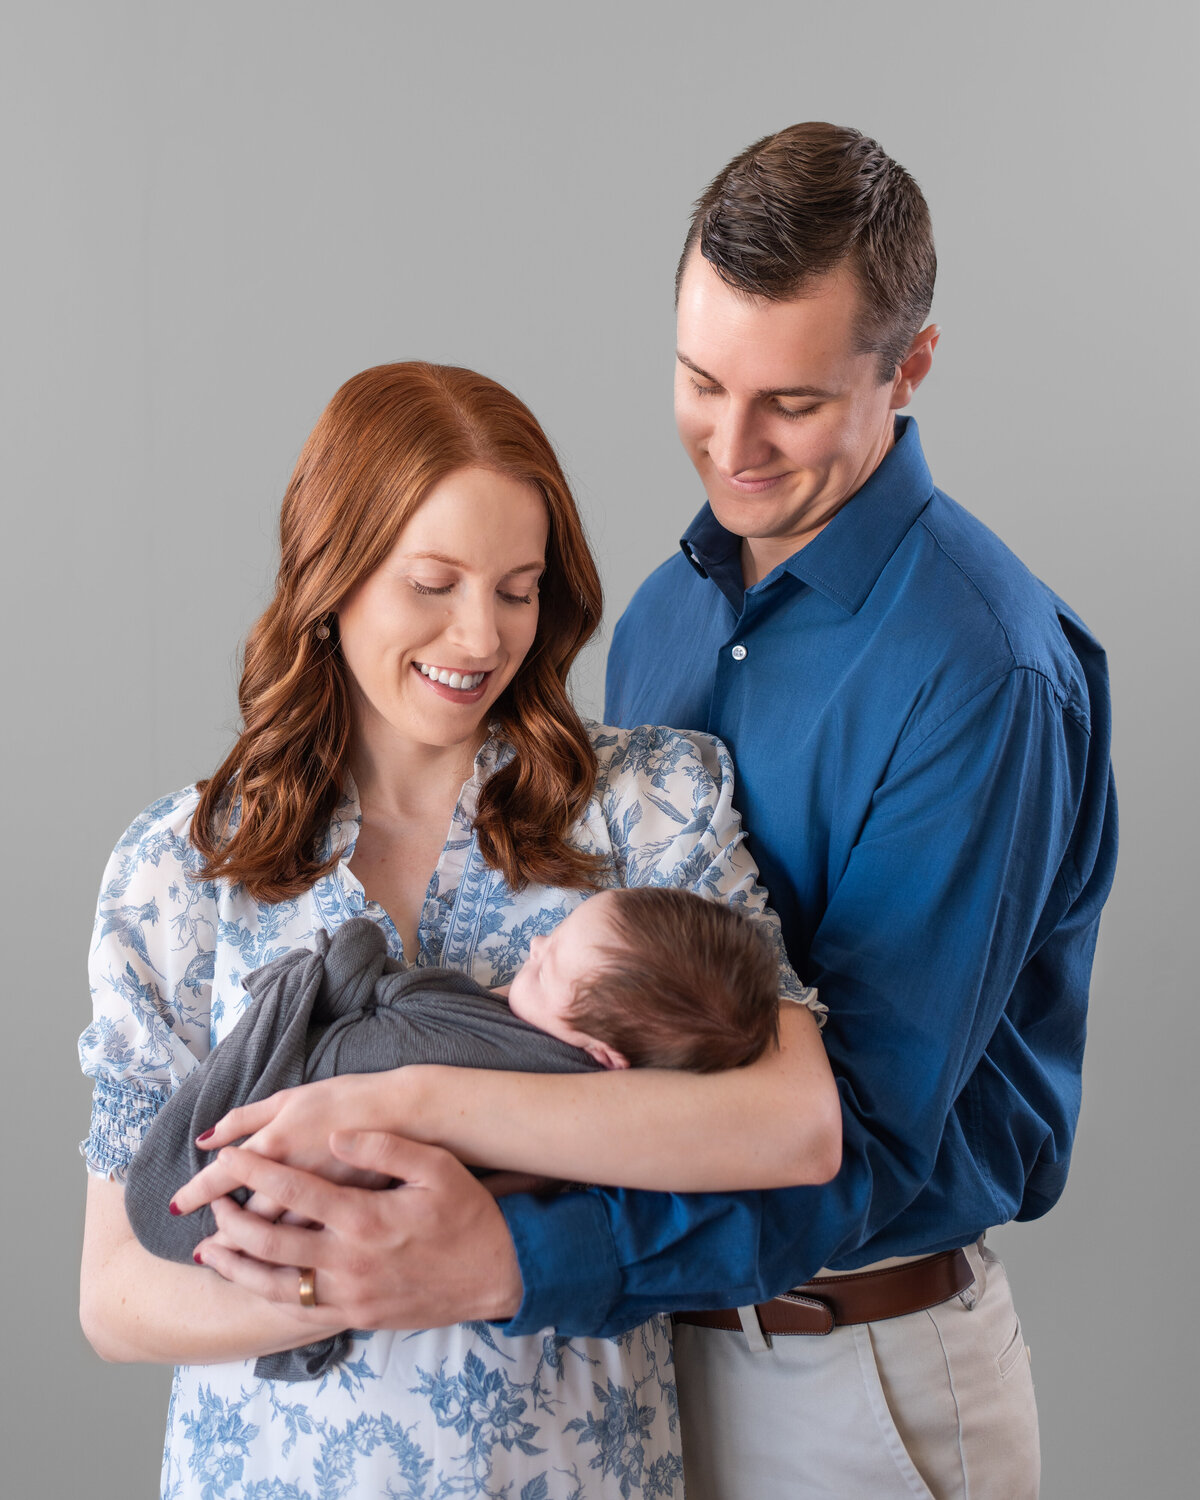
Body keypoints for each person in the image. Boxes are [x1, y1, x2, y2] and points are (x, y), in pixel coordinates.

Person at [173, 126, 1117, 1499]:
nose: (730, 448)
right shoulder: (673, 612)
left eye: (789, 403)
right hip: (646, 1368)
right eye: (697, 380)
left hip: (851, 1361)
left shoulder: (982, 672)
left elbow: (862, 1133)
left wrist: (512, 1250)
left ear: (907, 367)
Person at [79, 361, 839, 1499]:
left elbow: (793, 1126)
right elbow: (116, 1294)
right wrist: (360, 1282)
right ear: (332, 582)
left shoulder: (649, 805)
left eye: (519, 589)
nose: (480, 637)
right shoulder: (180, 866)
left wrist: (408, 1104)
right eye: (433, 583)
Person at [124, 891, 787, 1382]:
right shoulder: (607, 1135)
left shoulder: (492, 1051)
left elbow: (382, 990)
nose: (531, 949)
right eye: (550, 936)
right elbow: (112, 1308)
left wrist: (351, 957)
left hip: (218, 1193)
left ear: (603, 1057)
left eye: (546, 968)